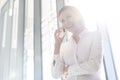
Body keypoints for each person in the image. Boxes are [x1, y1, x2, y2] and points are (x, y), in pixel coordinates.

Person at [51, 6, 103, 80]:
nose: (66, 22)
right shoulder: (63, 47)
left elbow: (94, 66)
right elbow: (56, 74)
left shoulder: (95, 36)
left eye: (69, 17)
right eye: (63, 21)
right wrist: (57, 45)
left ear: (78, 15)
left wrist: (68, 70)